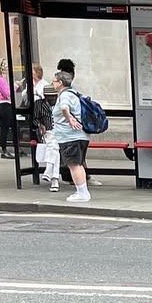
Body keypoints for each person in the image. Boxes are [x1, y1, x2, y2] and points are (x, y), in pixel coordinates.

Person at [51, 66, 91, 205]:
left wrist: (69, 119)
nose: (53, 84)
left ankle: (82, 193)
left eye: (54, 81)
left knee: (74, 165)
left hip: (69, 136)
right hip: (80, 136)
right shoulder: (75, 93)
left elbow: (64, 108)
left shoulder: (65, 95)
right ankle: (82, 191)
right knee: (78, 164)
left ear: (61, 82)